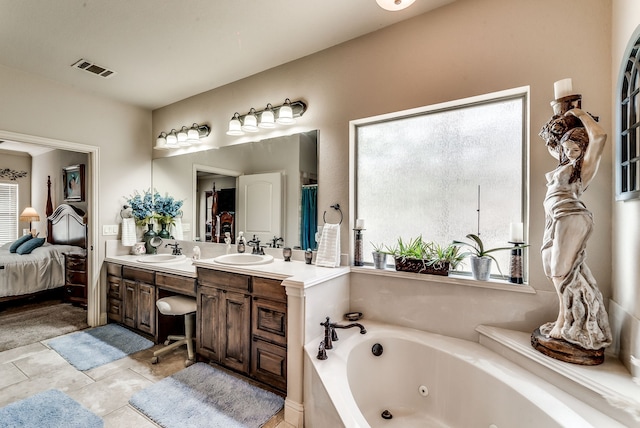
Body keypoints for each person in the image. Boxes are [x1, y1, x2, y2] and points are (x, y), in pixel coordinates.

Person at [539, 107, 612, 350]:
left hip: (571, 217)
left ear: (583, 149)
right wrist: (557, 118)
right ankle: (566, 318)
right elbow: (550, 141)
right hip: (556, 218)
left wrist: (579, 113)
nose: (570, 153)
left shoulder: (585, 166)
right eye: (566, 148)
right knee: (552, 268)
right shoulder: (565, 162)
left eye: (575, 149)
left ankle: (571, 323)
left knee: (562, 271)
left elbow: (599, 137)